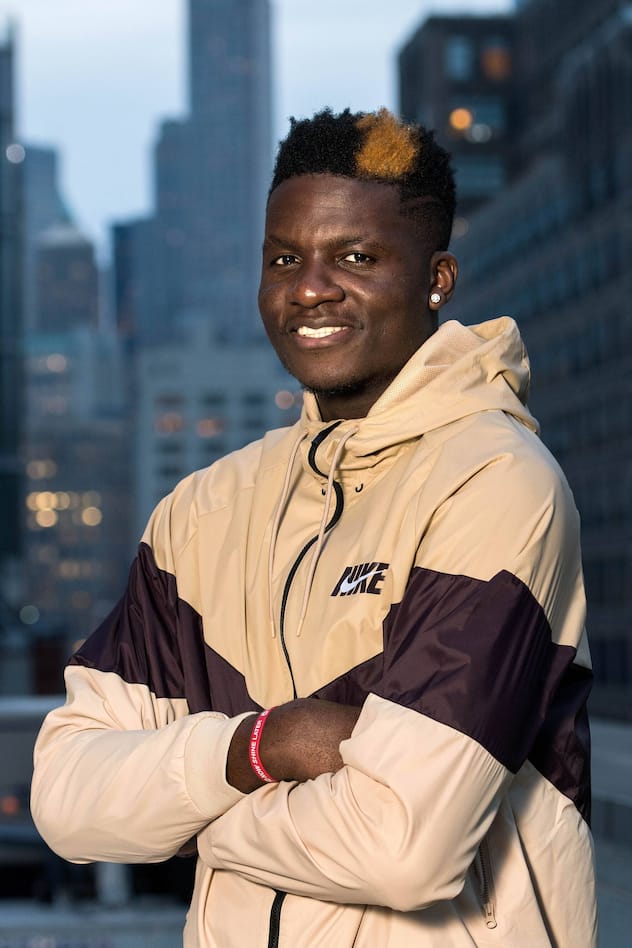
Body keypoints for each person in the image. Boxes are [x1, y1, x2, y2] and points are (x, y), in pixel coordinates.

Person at [32, 108, 597, 947]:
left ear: (436, 278)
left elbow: (404, 847)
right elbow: (67, 802)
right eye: (285, 258)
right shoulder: (201, 511)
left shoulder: (494, 482)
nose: (310, 288)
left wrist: (185, 819)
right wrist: (263, 747)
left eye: (357, 258)